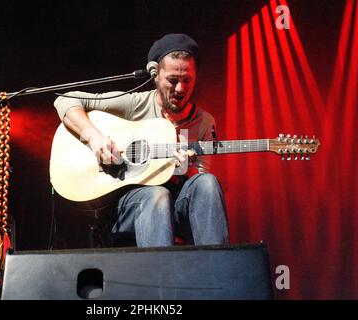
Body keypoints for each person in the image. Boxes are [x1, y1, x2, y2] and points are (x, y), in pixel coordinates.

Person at [54, 33, 229, 247]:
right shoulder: (135, 104)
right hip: (128, 208)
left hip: (175, 209)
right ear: (155, 74)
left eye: (187, 80)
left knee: (207, 183)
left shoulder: (204, 122)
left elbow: (199, 189)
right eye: (173, 80)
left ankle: (217, 272)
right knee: (157, 194)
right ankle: (157, 278)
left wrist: (185, 170)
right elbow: (66, 100)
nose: (181, 89)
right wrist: (94, 137)